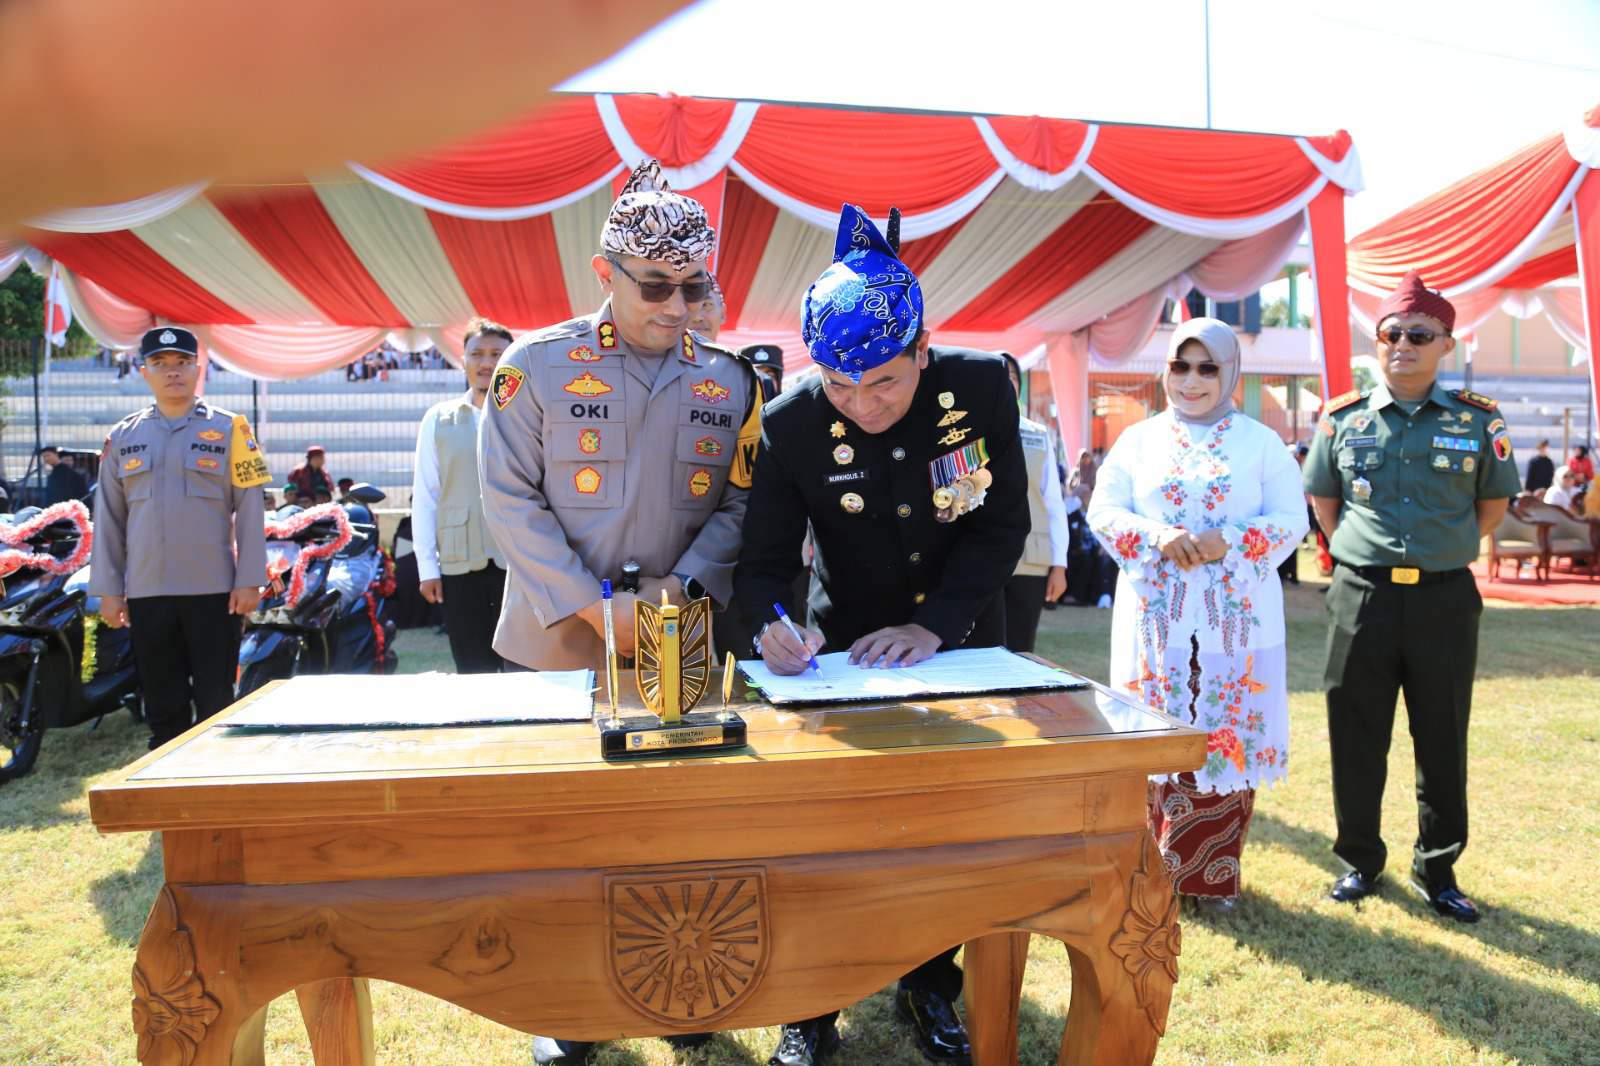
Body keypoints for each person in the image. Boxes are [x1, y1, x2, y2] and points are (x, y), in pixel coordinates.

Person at [734, 204, 1029, 1066]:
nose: (862, 404)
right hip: (847, 650)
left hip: (961, 639)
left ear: (922, 350)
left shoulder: (980, 387)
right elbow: (762, 566)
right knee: (825, 832)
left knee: (950, 827)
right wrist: (772, 627)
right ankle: (811, 1005)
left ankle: (930, 984)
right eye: (840, 385)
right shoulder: (790, 423)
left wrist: (933, 625)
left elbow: (999, 526)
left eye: (884, 383)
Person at [478, 163, 758, 1063]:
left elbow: (741, 506)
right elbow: (509, 500)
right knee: (563, 832)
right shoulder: (534, 367)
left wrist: (674, 601)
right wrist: (596, 611)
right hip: (559, 639)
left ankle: (683, 988)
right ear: (605, 272)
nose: (677, 306)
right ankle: (570, 1008)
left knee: (683, 830)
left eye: (694, 288)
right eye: (656, 287)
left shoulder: (730, 381)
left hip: (680, 642)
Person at [1304, 271, 1520, 924]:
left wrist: (1442, 549)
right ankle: (1360, 860)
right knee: (1355, 731)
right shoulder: (1342, 417)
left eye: (1419, 335)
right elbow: (1325, 502)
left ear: (1446, 344)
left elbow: (1491, 506)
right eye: (1391, 333)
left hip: (1443, 600)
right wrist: (1365, 554)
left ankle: (1438, 868)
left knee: (1441, 735)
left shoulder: (1477, 420)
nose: (1402, 345)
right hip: (1361, 595)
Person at [1088, 318, 1307, 912]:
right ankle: (1148, 870)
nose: (1191, 380)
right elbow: (1104, 510)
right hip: (1156, 620)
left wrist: (1228, 540)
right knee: (1155, 731)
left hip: (1232, 624)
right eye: (1180, 366)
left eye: (1207, 368)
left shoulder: (1261, 444)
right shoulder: (1139, 440)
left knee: (1221, 730)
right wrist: (1157, 536)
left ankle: (1210, 877)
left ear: (1230, 373)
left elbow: (1292, 520)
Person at [88, 327, 269, 748]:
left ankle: (213, 779)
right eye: (161, 364)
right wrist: (109, 590)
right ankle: (166, 781)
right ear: (144, 372)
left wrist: (249, 579)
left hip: (214, 591)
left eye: (182, 363)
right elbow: (109, 518)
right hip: (147, 591)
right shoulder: (122, 438)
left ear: (197, 368)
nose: (173, 372)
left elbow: (251, 508)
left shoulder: (234, 430)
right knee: (162, 704)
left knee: (215, 702)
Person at [411, 318, 512, 674]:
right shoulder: (438, 419)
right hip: (459, 564)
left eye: (497, 354)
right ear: (463, 360)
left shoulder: (529, 414)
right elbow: (426, 497)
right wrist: (427, 568)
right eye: (477, 354)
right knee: (473, 671)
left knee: (523, 670)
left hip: (517, 562)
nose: (487, 363)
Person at [998, 351, 1068, 653]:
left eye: (1013, 377)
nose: (1006, 382)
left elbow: (1054, 503)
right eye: (999, 377)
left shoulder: (1039, 436)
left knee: (1021, 646)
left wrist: (1059, 565)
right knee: (981, 646)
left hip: (1031, 559)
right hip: (980, 556)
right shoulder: (963, 431)